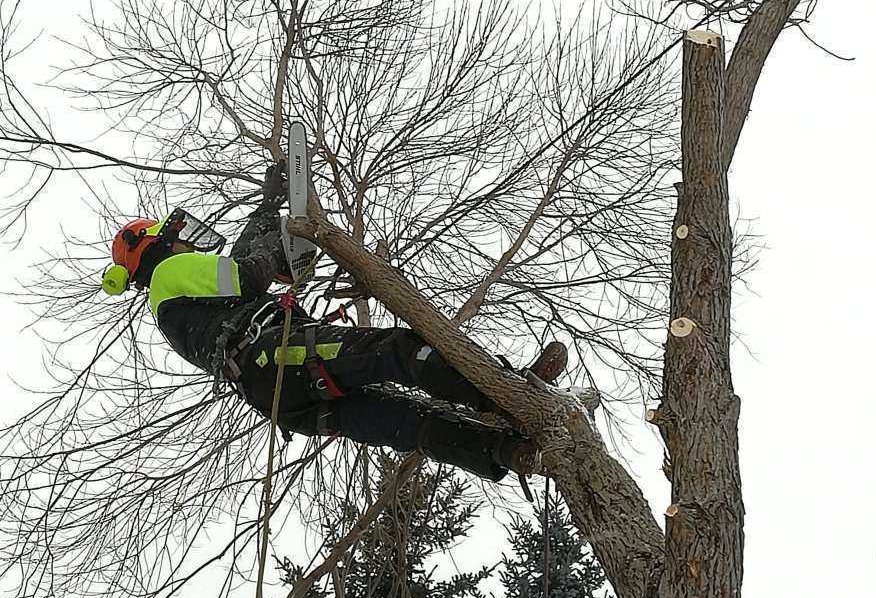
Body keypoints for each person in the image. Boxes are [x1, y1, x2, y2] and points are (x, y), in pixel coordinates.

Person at [101, 163, 568, 483]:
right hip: (279, 354)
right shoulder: (169, 271)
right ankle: (506, 394)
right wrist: (279, 242)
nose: (186, 243)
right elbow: (246, 275)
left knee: (407, 422)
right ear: (154, 246)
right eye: (175, 238)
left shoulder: (169, 306)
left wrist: (267, 208)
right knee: (400, 351)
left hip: (280, 398)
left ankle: (510, 452)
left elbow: (239, 272)